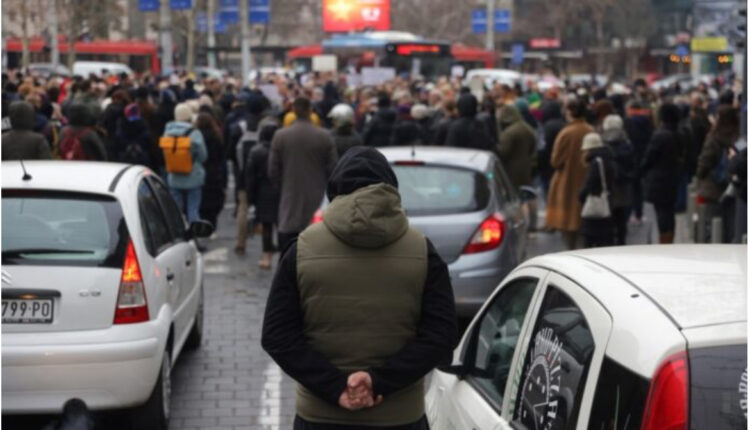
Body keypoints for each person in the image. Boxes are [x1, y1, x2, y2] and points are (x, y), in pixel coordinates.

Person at [261, 146, 458, 430]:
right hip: (399, 416)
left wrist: (336, 387)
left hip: (320, 415)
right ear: (391, 189)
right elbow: (441, 336)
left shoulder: (301, 250)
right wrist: (378, 382)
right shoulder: (422, 251)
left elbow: (277, 336)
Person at [269, 97, 338, 251]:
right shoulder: (324, 137)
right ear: (310, 111)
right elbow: (333, 168)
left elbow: (273, 170)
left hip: (290, 199)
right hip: (317, 199)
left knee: (288, 250)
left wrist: (282, 187)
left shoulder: (280, 136)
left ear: (293, 111)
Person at [545, 99, 594, 249]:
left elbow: (555, 160)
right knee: (581, 222)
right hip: (586, 178)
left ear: (570, 112)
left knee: (567, 225)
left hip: (566, 182)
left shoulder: (566, 132)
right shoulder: (590, 130)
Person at [696, 105, 740, 242]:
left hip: (712, 190)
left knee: (711, 227)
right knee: (731, 227)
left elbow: (704, 163)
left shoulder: (714, 137)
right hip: (733, 188)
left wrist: (700, 175)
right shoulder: (739, 137)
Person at [641, 103, 683, 244]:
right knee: (669, 212)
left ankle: (664, 240)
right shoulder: (680, 133)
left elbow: (649, 158)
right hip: (673, 177)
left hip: (659, 180)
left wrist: (642, 171)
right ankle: (669, 239)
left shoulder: (660, 135)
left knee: (662, 213)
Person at [230, 94, 264, 255]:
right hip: (265, 176)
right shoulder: (267, 127)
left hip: (243, 175)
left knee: (243, 208)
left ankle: (240, 243)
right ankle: (268, 247)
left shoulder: (240, 127)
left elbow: (229, 152)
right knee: (268, 211)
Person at [163, 103, 208, 223]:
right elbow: (203, 156)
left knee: (176, 210)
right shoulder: (195, 133)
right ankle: (194, 233)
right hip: (193, 175)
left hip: (174, 175)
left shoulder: (167, 132)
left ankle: (177, 231)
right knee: (193, 208)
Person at [245, 121, 281, 269]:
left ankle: (266, 256)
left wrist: (250, 197)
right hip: (281, 190)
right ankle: (283, 256)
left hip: (263, 192)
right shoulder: (281, 151)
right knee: (282, 225)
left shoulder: (256, 151)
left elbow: (250, 177)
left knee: (266, 226)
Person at [601, 114, 635, 245]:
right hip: (624, 185)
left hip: (609, 186)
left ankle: (609, 243)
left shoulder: (602, 142)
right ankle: (621, 242)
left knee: (609, 219)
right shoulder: (627, 142)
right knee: (622, 220)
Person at [578, 133, 616, 248]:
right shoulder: (608, 159)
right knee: (604, 240)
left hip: (595, 203)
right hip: (607, 202)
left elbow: (590, 183)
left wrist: (581, 196)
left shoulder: (596, 162)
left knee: (589, 241)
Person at [195, 112, 227, 228]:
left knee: (202, 199)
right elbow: (221, 156)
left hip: (201, 170)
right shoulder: (217, 136)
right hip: (214, 172)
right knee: (215, 199)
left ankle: (203, 222)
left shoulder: (196, 137)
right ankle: (213, 223)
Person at [496, 104, 538, 191]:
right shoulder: (527, 127)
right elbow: (533, 146)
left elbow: (502, 152)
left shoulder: (508, 133)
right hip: (527, 168)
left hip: (511, 170)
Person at [539, 101, 566, 198]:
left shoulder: (547, 127)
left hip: (548, 164)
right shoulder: (565, 125)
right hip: (563, 163)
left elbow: (543, 146)